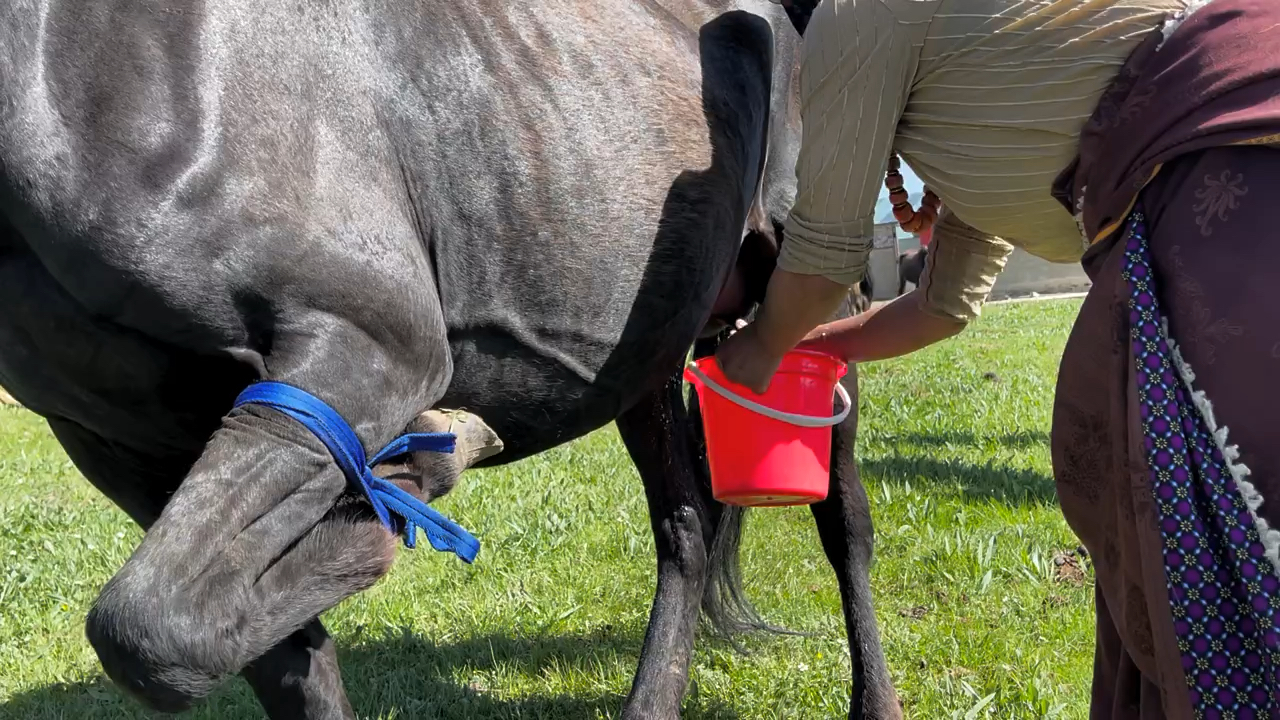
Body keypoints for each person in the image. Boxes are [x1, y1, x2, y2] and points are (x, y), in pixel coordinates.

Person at [718, 0, 1280, 717]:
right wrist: (808, 346)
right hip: (1190, 194)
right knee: (1143, 521)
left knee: (1211, 548)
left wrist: (759, 349)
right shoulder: (977, 88)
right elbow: (942, 306)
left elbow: (826, 259)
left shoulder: (859, 14)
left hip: (1231, 177)